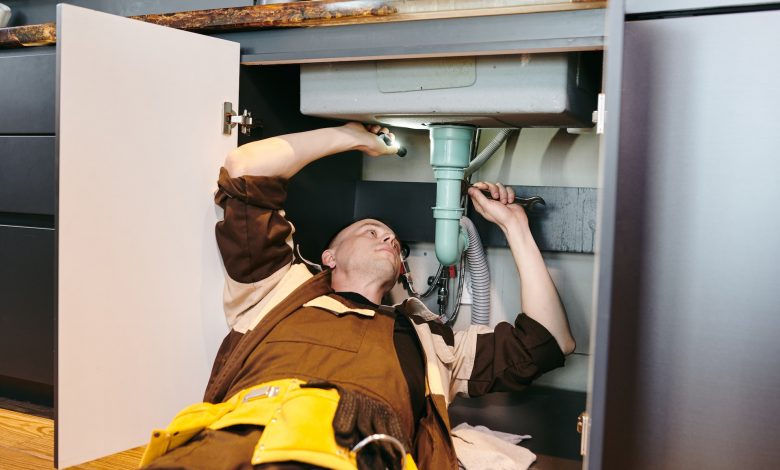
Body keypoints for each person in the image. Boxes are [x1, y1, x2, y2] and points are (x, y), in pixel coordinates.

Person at [140, 122, 575, 470]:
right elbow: (244, 168)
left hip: (362, 450)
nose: (388, 237)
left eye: (394, 242)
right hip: (236, 440)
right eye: (371, 231)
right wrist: (353, 138)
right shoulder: (278, 286)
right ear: (328, 256)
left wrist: (514, 225)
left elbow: (550, 342)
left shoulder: (431, 342)